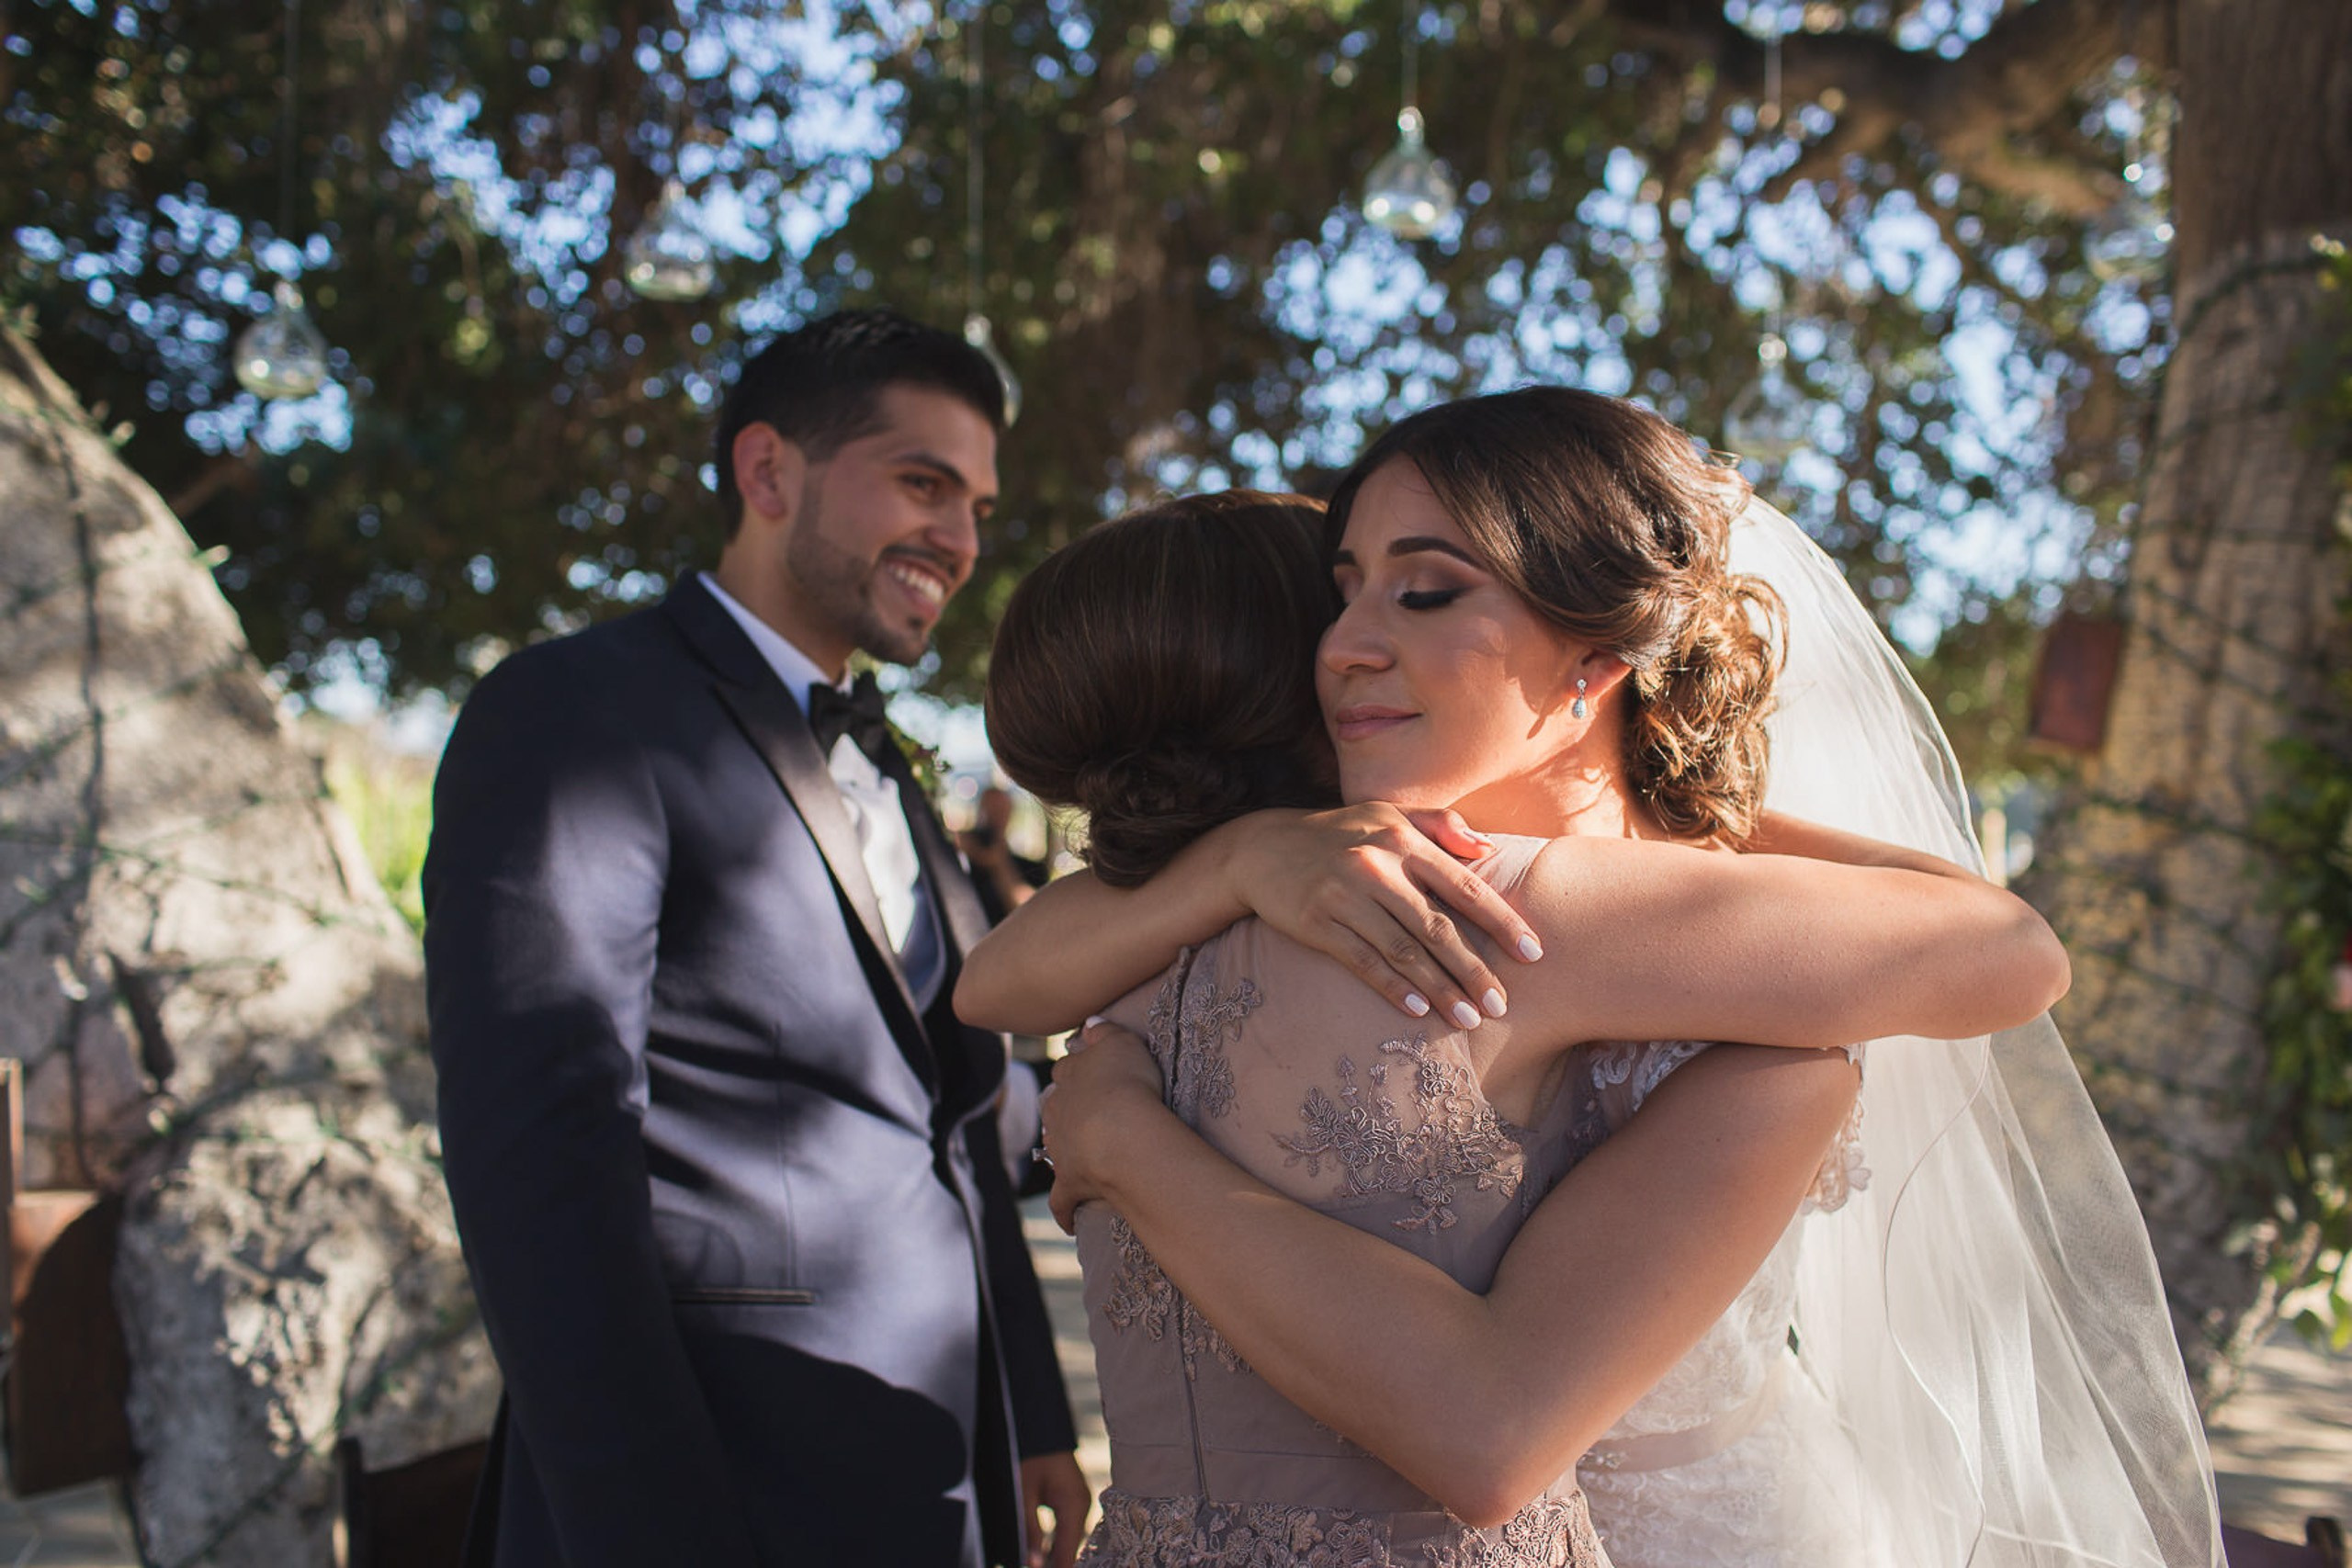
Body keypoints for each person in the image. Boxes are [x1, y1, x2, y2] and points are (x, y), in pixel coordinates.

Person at [964, 393, 2221, 1567]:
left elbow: (2010, 953)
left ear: (1598, 655)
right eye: (1344, 595)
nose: (1345, 646)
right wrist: (1244, 854)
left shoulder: (1539, 902)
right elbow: (2007, 945)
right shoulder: (1431, 885)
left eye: (1425, 592)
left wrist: (1692, 814)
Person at [423, 310, 1088, 1568]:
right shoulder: (578, 715)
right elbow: (546, 1174)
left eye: (979, 505)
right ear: (769, 470)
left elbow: (945, 1112)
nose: (959, 536)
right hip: (714, 1490)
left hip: (933, 1476)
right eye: (922, 482)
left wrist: (1029, 1413)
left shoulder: (882, 756)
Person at [960, 785, 1052, 924]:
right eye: (989, 809)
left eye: (1000, 810)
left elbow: (1026, 913)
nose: (994, 816)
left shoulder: (1032, 869)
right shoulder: (963, 861)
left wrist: (998, 863)